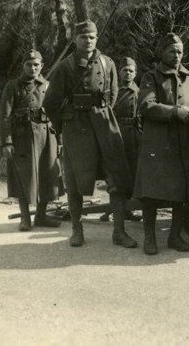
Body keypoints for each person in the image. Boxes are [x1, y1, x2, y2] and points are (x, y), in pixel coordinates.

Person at [43, 20, 137, 248]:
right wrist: (66, 123)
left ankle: (119, 231)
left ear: (97, 39)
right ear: (75, 39)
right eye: (84, 37)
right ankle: (77, 230)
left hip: (104, 125)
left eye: (92, 37)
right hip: (77, 128)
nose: (88, 41)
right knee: (75, 183)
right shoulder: (65, 67)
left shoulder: (107, 63)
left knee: (116, 178)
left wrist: (101, 112)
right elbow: (51, 103)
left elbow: (112, 95)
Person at [133, 33, 189, 255]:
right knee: (152, 193)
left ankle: (174, 236)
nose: (177, 55)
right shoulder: (151, 76)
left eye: (179, 51)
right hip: (159, 142)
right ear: (162, 52)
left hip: (184, 141)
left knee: (182, 192)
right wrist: (176, 112)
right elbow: (146, 106)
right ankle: (150, 238)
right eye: (171, 51)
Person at [0, 49, 63, 231]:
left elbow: (56, 115)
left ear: (41, 66)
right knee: (23, 177)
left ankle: (41, 216)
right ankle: (25, 218)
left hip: (46, 136)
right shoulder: (12, 86)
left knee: (47, 176)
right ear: (23, 66)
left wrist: (59, 141)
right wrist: (7, 141)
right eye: (29, 64)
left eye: (36, 65)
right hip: (22, 138)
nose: (33, 68)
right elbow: (4, 116)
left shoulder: (48, 86)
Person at [100, 57, 141, 222]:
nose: (128, 74)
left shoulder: (140, 92)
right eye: (125, 70)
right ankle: (113, 209)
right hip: (117, 134)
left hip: (134, 136)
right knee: (116, 174)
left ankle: (127, 210)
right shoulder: (113, 91)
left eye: (131, 70)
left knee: (132, 172)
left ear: (136, 73)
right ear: (119, 72)